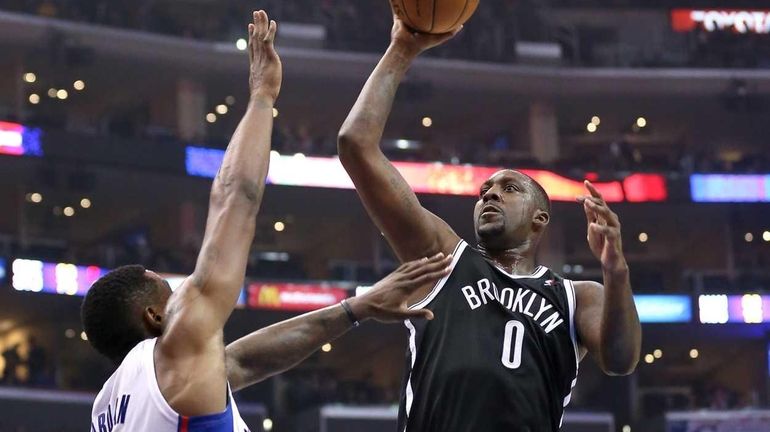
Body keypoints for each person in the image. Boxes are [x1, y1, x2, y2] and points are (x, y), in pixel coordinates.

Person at [82, 11, 451, 431]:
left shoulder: (106, 408)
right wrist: (262, 97)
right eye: (173, 293)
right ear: (154, 317)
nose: (185, 293)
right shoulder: (177, 345)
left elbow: (242, 360)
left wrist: (354, 309)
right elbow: (234, 198)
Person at [337, 15, 642, 431]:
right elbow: (355, 145)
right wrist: (401, 50)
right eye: (484, 192)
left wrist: (616, 270)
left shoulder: (578, 297)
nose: (489, 194)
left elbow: (621, 361)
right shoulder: (443, 259)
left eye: (509, 188)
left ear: (540, 219)